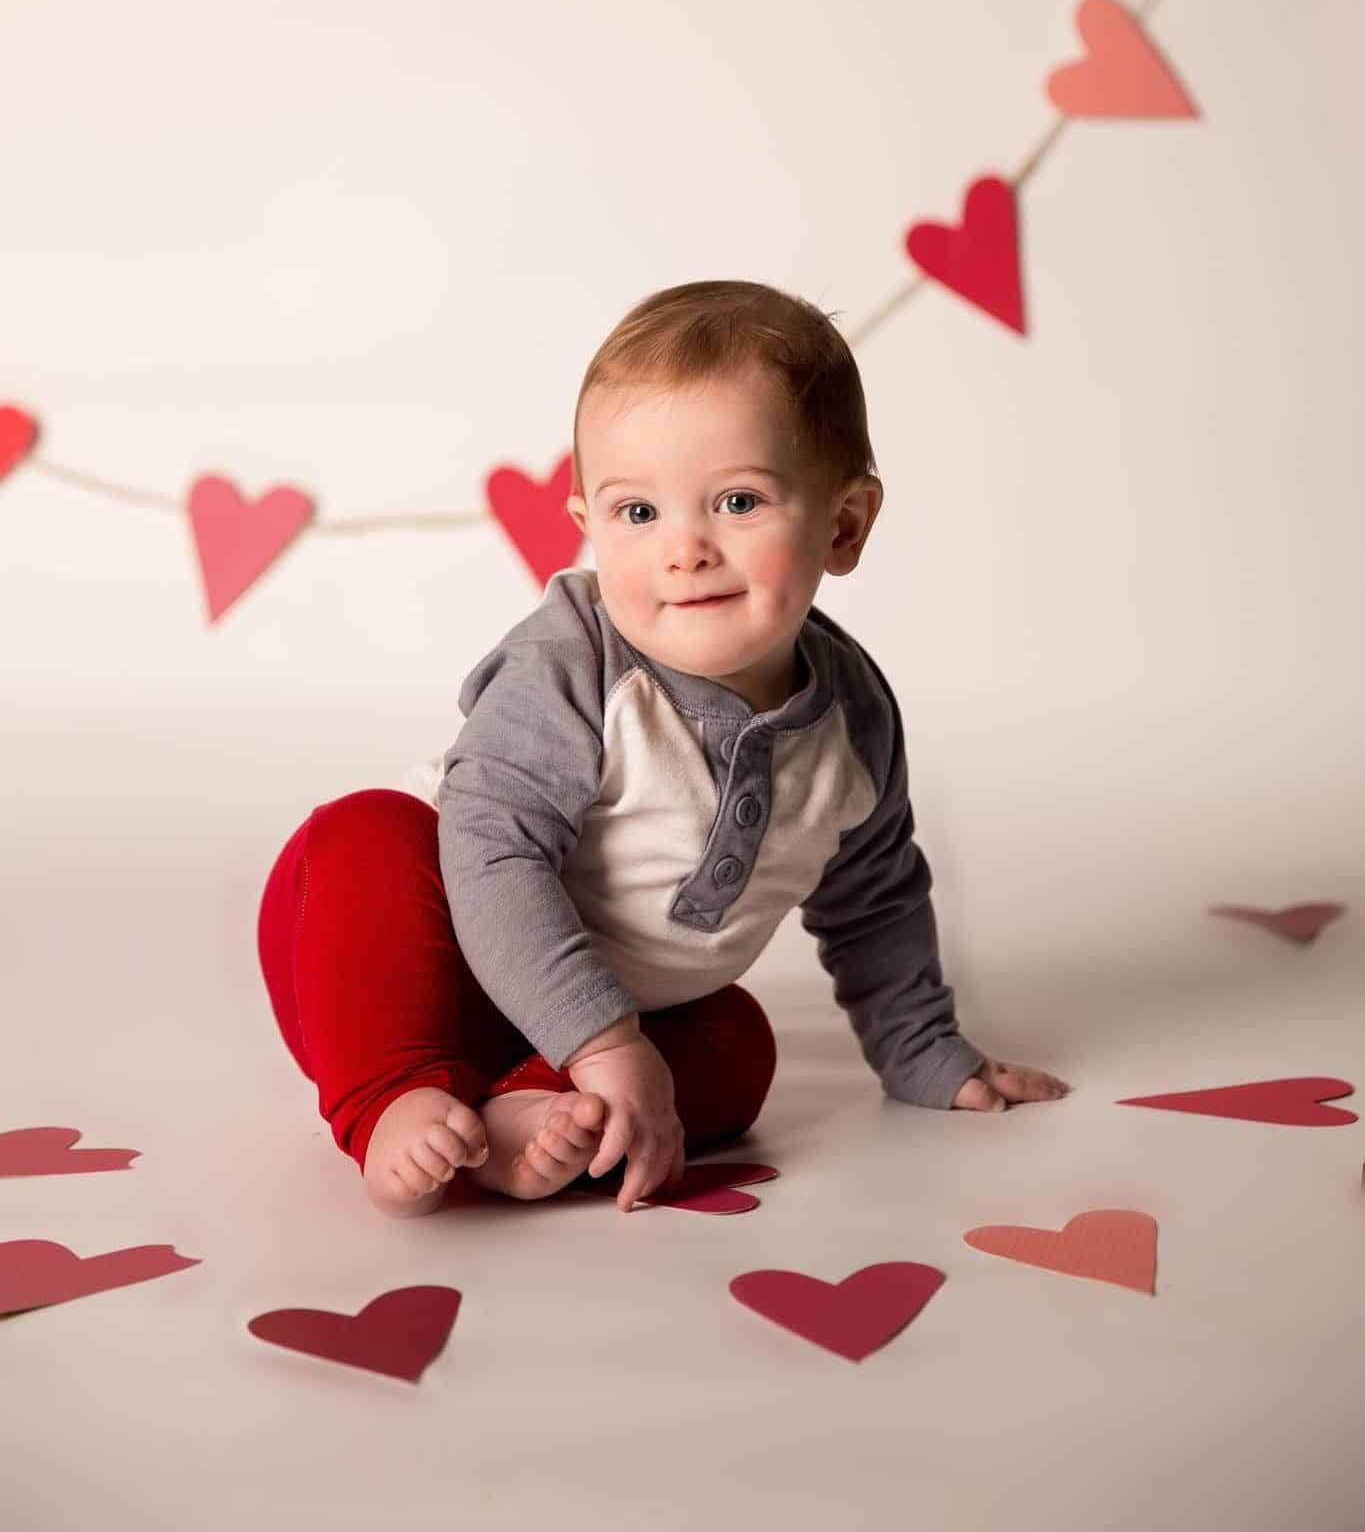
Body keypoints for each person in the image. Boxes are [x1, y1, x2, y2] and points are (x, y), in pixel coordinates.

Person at [257, 279, 1069, 1221]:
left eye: (735, 501)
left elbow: (874, 898)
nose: (683, 550)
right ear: (588, 527)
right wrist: (606, 1044)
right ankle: (391, 1100)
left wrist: (923, 1050)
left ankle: (524, 1108)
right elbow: (494, 857)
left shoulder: (851, 719)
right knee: (365, 835)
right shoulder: (572, 667)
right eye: (638, 514)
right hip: (407, 961)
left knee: (738, 1046)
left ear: (842, 525)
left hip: (599, 1022)